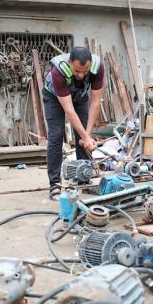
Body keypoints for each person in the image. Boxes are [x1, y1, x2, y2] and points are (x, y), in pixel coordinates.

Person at [43, 46, 104, 200]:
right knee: (56, 136)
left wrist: (87, 136)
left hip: (80, 95)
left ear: (90, 64)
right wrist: (86, 136)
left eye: (85, 71)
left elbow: (96, 103)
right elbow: (69, 110)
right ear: (70, 62)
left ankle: (84, 179)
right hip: (54, 97)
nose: (81, 75)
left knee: (82, 134)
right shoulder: (59, 71)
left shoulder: (98, 67)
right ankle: (55, 185)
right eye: (77, 71)